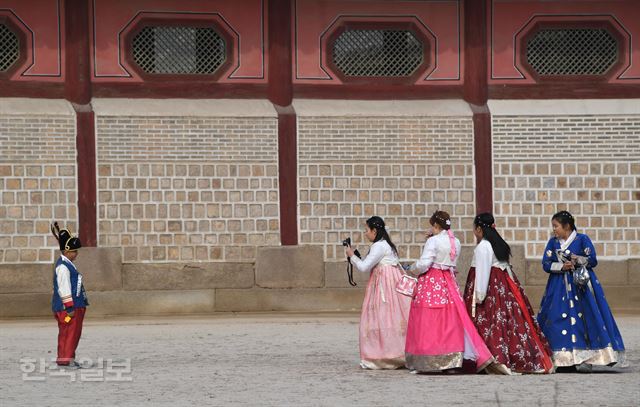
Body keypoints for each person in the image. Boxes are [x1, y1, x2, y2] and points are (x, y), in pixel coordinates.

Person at [404, 210, 495, 373]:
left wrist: (412, 268)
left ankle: (428, 360)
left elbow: (425, 263)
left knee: (429, 319)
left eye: (432, 226)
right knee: (450, 321)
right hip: (449, 282)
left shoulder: (433, 242)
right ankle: (451, 360)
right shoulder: (456, 242)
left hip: (432, 281)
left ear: (436, 225)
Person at [463, 213, 554, 374]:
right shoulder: (498, 243)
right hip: (503, 288)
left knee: (491, 323)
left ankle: (492, 358)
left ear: (478, 229)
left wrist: (479, 296)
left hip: (490, 289)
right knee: (509, 322)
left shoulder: (483, 246)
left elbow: (483, 272)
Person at [537, 211, 625, 370]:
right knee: (556, 318)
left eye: (556, 226)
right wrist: (562, 266)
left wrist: (578, 260)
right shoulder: (553, 243)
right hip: (558, 287)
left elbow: (593, 260)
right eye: (553, 227)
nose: (554, 230)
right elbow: (546, 264)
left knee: (585, 319)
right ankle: (562, 359)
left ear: (567, 226)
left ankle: (586, 358)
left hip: (580, 286)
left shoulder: (582, 239)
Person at [346, 216, 411, 369]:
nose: (365, 233)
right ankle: (398, 354)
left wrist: (352, 256)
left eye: (367, 230)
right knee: (393, 319)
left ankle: (380, 356)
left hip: (383, 287)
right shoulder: (387, 244)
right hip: (392, 285)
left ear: (374, 231)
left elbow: (364, 267)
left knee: (380, 319)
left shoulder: (378, 246)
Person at [51, 222, 88, 367]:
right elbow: (64, 288)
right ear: (67, 252)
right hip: (68, 309)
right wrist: (70, 308)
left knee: (72, 332)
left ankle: (67, 357)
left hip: (74, 306)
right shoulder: (63, 267)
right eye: (74, 251)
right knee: (69, 332)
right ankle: (65, 359)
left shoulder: (67, 265)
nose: (76, 254)